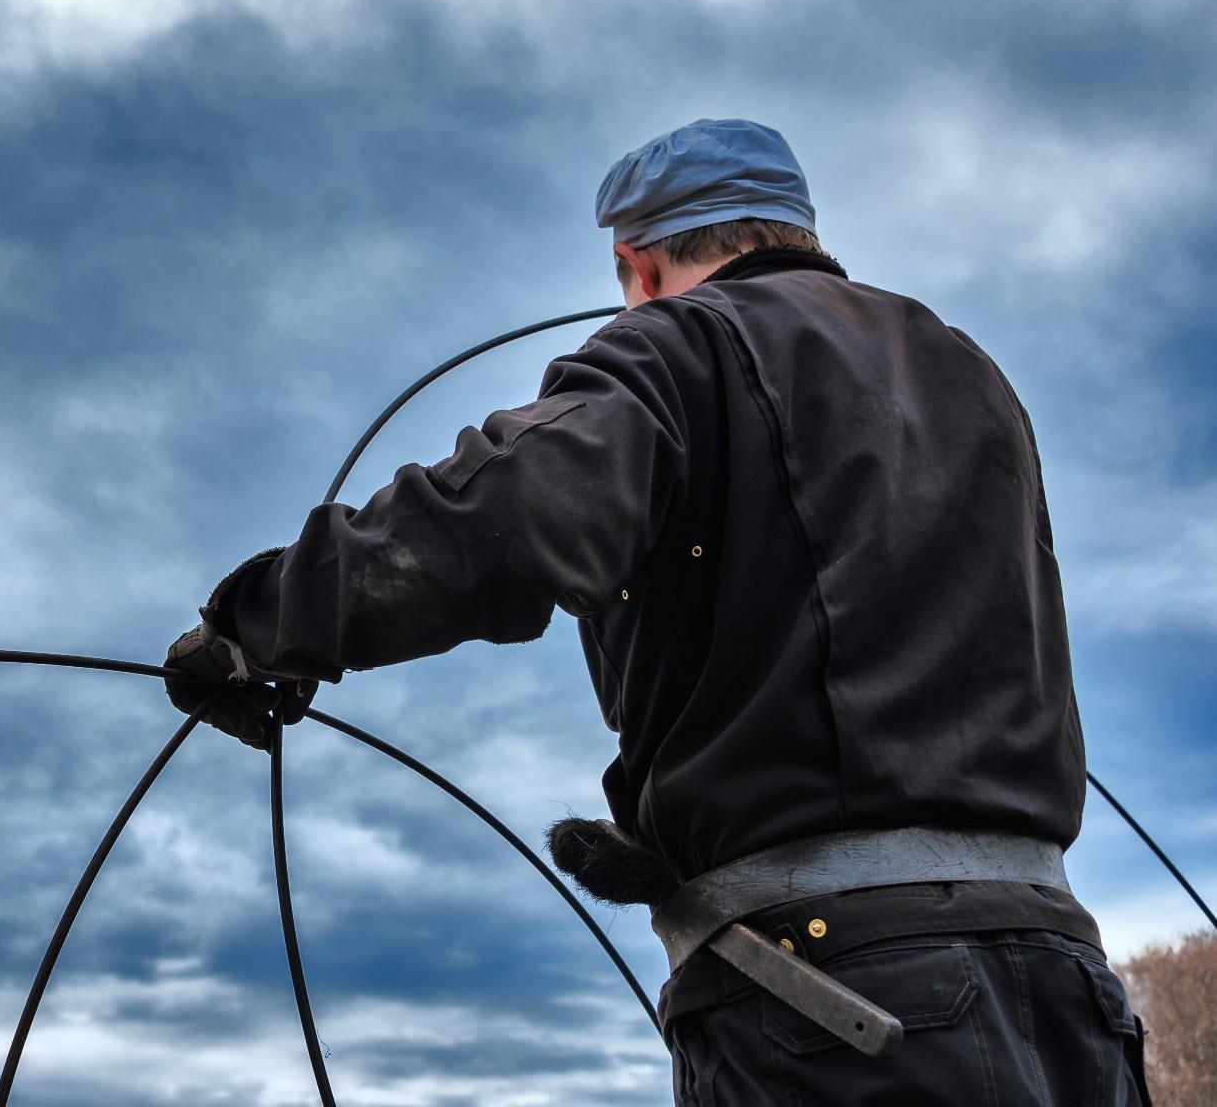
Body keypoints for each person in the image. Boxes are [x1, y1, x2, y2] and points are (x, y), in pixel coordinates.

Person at [163, 119, 1152, 1104]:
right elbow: (849, 658)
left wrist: (256, 626)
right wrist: (672, 849)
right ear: (791, 228)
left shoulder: (680, 343)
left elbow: (506, 515)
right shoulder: (972, 375)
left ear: (634, 262)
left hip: (843, 1005)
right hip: (1067, 991)